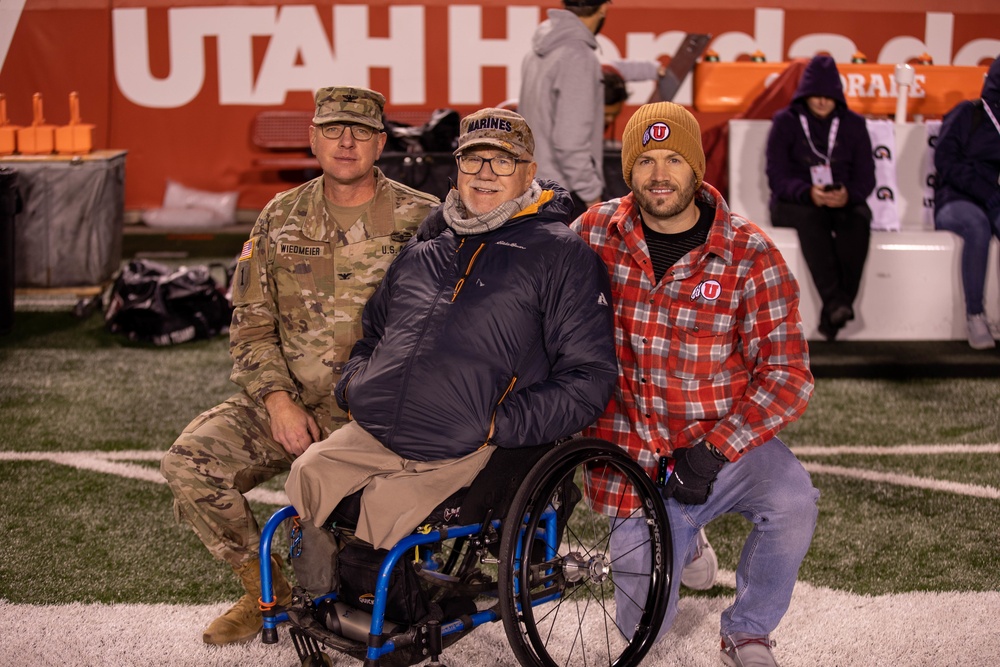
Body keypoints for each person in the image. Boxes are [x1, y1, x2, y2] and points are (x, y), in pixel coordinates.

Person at [160, 86, 440, 646]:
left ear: (381, 142)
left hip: (382, 418)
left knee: (362, 548)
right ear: (312, 138)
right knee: (190, 460)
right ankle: (266, 589)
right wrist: (278, 401)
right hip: (294, 404)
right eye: (333, 129)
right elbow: (251, 323)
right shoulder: (280, 217)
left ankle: (369, 584)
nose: (346, 141)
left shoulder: (422, 219)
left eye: (361, 131)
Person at [284, 108, 618, 553]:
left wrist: (497, 423)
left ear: (529, 172)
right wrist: (355, 386)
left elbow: (589, 379)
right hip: (377, 426)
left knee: (383, 510)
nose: (485, 174)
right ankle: (321, 581)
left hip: (464, 445)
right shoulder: (426, 247)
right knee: (308, 472)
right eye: (472, 160)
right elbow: (373, 332)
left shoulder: (562, 256)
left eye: (502, 162)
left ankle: (370, 596)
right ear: (456, 166)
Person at [572, 101, 819, 667]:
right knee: (643, 637)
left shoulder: (749, 253)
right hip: (631, 457)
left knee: (792, 500)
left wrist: (711, 452)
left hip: (720, 446)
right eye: (647, 160)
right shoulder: (592, 232)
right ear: (628, 171)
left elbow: (788, 375)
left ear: (698, 168)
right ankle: (685, 540)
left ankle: (748, 631)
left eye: (675, 159)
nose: (660, 174)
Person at [765, 54, 876, 341]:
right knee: (812, 220)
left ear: (837, 95)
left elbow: (867, 177)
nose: (822, 101)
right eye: (816, 95)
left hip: (842, 200)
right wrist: (807, 193)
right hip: (796, 201)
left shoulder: (854, 124)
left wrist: (848, 194)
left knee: (859, 220)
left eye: (828, 96)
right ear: (805, 93)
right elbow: (776, 176)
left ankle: (836, 308)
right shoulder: (785, 121)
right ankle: (836, 303)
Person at [519, 0, 663, 220]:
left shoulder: (540, 50)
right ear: (604, 7)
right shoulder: (578, 56)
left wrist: (652, 69)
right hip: (565, 194)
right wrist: (592, 196)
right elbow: (569, 141)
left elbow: (602, 67)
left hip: (534, 187)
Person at [933, 56, 1000, 350]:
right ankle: (975, 314)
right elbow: (945, 160)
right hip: (957, 199)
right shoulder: (967, 113)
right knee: (977, 226)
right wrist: (986, 188)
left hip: (995, 201)